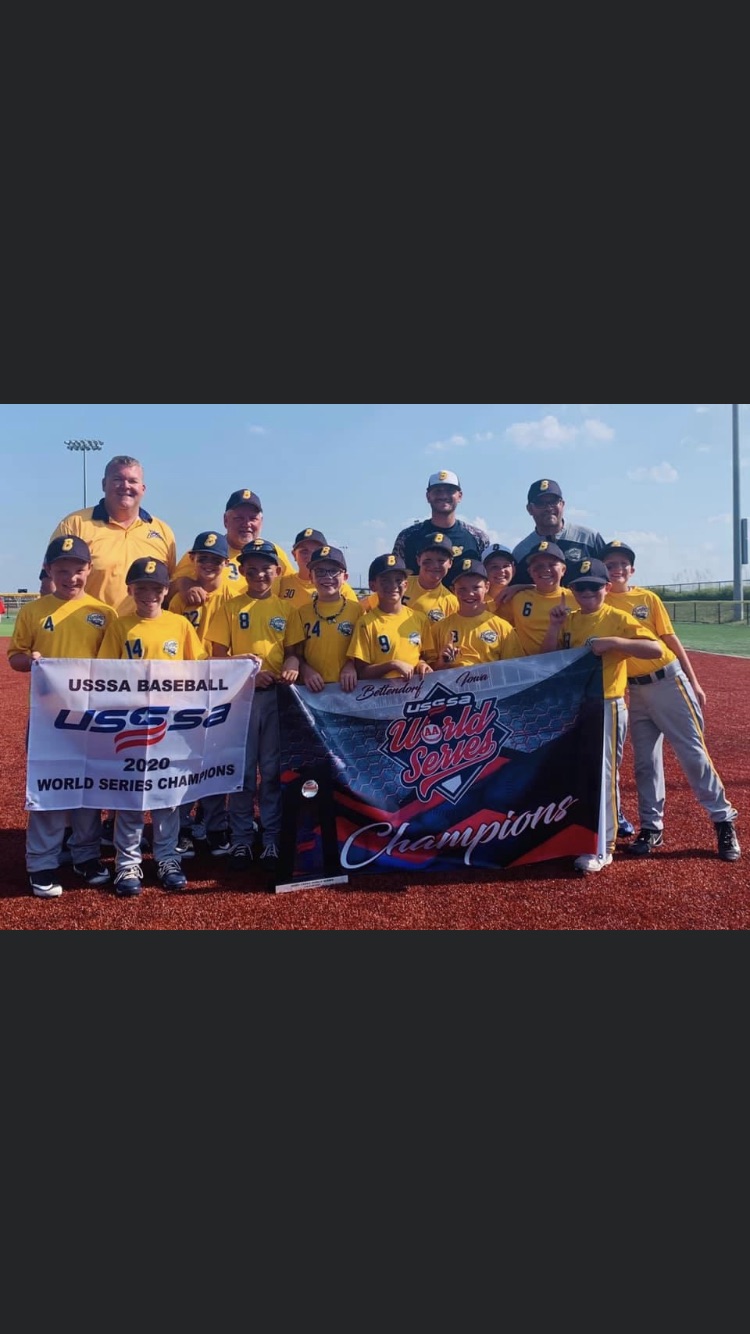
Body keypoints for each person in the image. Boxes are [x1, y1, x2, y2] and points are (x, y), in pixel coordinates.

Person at [602, 540, 741, 863]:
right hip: (634, 691)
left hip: (666, 681)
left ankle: (722, 819)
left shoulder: (646, 598)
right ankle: (651, 827)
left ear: (632, 569)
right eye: (610, 564)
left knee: (692, 754)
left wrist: (693, 680)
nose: (617, 569)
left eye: (622, 564)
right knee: (645, 764)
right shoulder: (601, 600)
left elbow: (669, 638)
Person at [8, 536, 117, 898]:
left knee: (89, 790)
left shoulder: (104, 613)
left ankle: (85, 856)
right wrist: (33, 661)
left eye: (78, 570)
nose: (71, 577)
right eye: (63, 570)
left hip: (90, 717)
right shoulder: (34, 611)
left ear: (89, 571)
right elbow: (16, 657)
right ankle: (41, 863)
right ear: (50, 571)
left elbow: (115, 668)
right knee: (50, 791)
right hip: (47, 719)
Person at [540, 557, 662, 875]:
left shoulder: (618, 617)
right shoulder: (569, 619)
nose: (587, 593)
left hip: (607, 703)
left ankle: (602, 847)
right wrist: (553, 626)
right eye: (580, 588)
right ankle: (580, 835)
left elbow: (656, 649)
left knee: (604, 776)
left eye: (594, 587)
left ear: (607, 588)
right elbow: (547, 659)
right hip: (576, 706)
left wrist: (615, 643)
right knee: (579, 773)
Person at [97, 557, 208, 896]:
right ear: (130, 590)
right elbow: (105, 674)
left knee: (168, 794)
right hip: (131, 723)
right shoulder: (119, 626)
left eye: (155, 588)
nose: (148, 594)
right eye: (141, 587)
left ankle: (166, 857)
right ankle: (127, 861)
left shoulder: (179, 625)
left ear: (165, 591)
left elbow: (200, 669)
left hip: (170, 723)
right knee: (130, 795)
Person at [208, 538, 300, 877]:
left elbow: (293, 652)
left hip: (277, 699)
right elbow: (217, 659)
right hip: (241, 700)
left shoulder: (287, 610)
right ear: (242, 570)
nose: (259, 572)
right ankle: (242, 838)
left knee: (273, 773)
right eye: (252, 567)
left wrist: (292, 664)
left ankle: (272, 837)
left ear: (277, 570)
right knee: (243, 774)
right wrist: (249, 673)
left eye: (266, 566)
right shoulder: (230, 608)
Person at [168, 530, 234, 855]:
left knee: (217, 760)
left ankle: (215, 824)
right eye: (202, 558)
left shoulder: (235, 596)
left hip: (222, 689)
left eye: (215, 560)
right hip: (186, 689)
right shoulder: (179, 600)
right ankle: (181, 826)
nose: (209, 564)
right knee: (184, 760)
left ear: (226, 563)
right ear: (193, 560)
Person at [47, 455, 177, 615]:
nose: (125, 486)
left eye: (133, 481)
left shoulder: (163, 532)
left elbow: (169, 587)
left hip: (140, 634)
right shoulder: (75, 524)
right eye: (117, 479)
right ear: (104, 484)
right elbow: (49, 580)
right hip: (89, 630)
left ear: (143, 488)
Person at [171, 488, 294, 606]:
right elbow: (166, 590)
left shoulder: (275, 552)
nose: (246, 524)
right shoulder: (204, 552)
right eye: (239, 518)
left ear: (261, 521)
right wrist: (182, 583)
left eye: (253, 518)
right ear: (225, 520)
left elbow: (296, 587)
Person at [285, 545, 363, 692]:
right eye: (320, 572)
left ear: (345, 577)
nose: (327, 577)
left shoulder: (357, 610)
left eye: (334, 571)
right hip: (313, 690)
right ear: (311, 577)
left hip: (349, 688)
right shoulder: (301, 613)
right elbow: (294, 654)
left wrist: (351, 664)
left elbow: (364, 649)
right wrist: (305, 669)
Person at [347, 553, 433, 681]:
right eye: (385, 580)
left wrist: (422, 664)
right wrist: (392, 665)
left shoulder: (419, 619)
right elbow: (362, 672)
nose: (393, 586)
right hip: (380, 697)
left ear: (406, 584)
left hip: (413, 694)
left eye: (398, 580)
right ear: (373, 585)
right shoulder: (366, 623)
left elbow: (425, 658)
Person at [510, 479, 606, 590]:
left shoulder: (589, 538)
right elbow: (516, 589)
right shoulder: (521, 551)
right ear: (529, 509)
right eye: (541, 503)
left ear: (562, 504)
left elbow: (609, 577)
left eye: (553, 501)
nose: (548, 508)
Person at [433, 557, 524, 668]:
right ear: (453, 590)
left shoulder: (502, 628)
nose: (470, 594)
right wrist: (442, 662)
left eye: (476, 588)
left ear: (486, 587)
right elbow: (427, 672)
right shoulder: (439, 628)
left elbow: (515, 668)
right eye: (462, 589)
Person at [393, 470, 489, 575]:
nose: (443, 496)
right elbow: (395, 576)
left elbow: (489, 577)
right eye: (437, 491)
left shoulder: (478, 538)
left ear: (460, 496)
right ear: (428, 496)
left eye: (449, 491)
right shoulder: (407, 537)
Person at [504, 541, 578, 656]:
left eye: (552, 564)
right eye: (538, 566)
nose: (546, 569)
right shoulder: (517, 598)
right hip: (527, 668)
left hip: (570, 667)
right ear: (530, 572)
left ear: (563, 570)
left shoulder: (577, 598)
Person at [273, 528, 357, 605]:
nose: (310, 556)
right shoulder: (283, 584)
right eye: (304, 551)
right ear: (294, 555)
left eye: (316, 551)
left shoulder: (339, 588)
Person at [482, 544, 516, 621]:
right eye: (494, 567)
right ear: (484, 571)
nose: (501, 571)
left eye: (506, 566)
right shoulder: (476, 600)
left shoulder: (521, 598)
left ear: (513, 570)